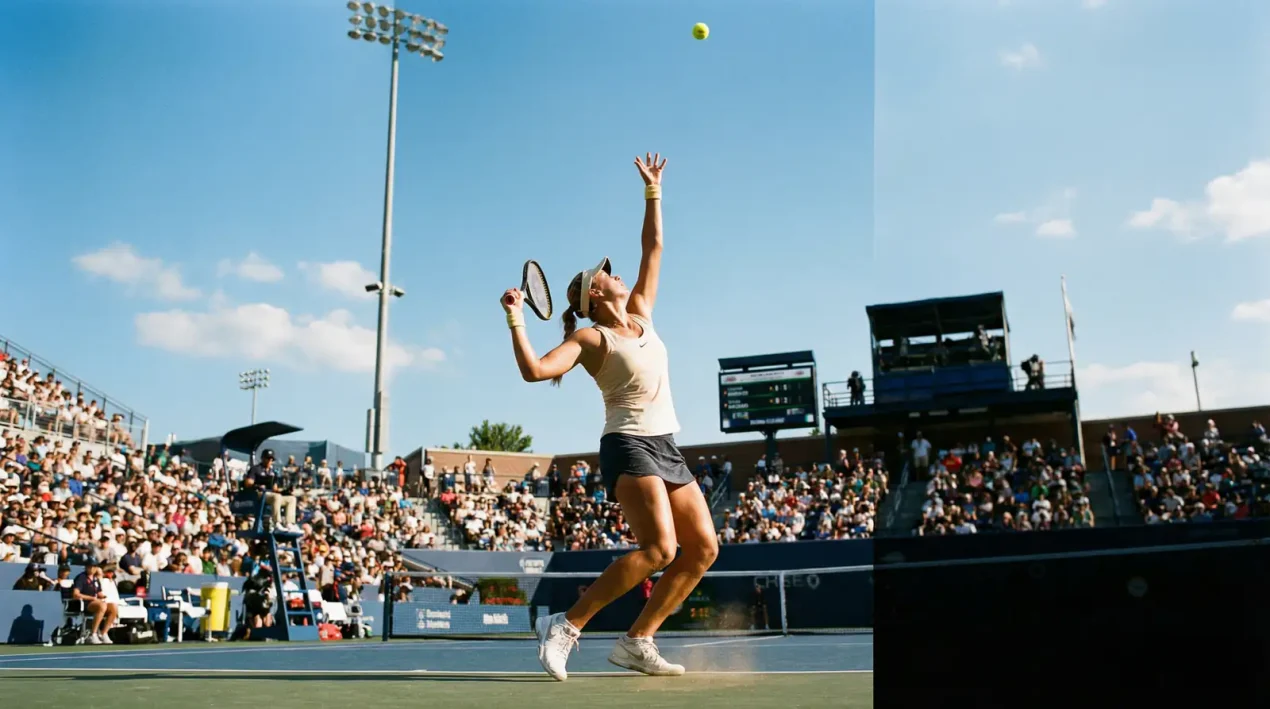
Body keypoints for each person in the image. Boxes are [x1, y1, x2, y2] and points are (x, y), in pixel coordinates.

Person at [500, 153, 718, 681]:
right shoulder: (590, 338)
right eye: (606, 274)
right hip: (628, 444)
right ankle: (566, 626)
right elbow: (534, 371)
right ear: (595, 293)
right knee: (660, 548)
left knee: (703, 549)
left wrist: (654, 192)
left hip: (665, 443)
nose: (616, 273)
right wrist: (514, 319)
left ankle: (637, 641)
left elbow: (655, 246)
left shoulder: (642, 312)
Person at [248, 449, 299, 534]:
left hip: (271, 495)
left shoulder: (272, 472)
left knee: (291, 499)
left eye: (271, 459)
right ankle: (277, 523)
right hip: (258, 494)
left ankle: (289, 524)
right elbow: (248, 483)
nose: (269, 461)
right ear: (263, 458)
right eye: (267, 458)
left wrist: (286, 491)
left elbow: (275, 489)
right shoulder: (256, 469)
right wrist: (257, 486)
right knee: (276, 497)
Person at [71, 560, 117, 645]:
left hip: (96, 602)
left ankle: (103, 633)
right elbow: (76, 594)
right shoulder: (81, 578)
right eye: (90, 566)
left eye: (94, 566)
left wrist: (103, 596)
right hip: (85, 603)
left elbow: (99, 592)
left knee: (113, 607)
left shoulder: (95, 579)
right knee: (102, 606)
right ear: (86, 567)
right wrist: (92, 598)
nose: (92, 568)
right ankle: (93, 634)